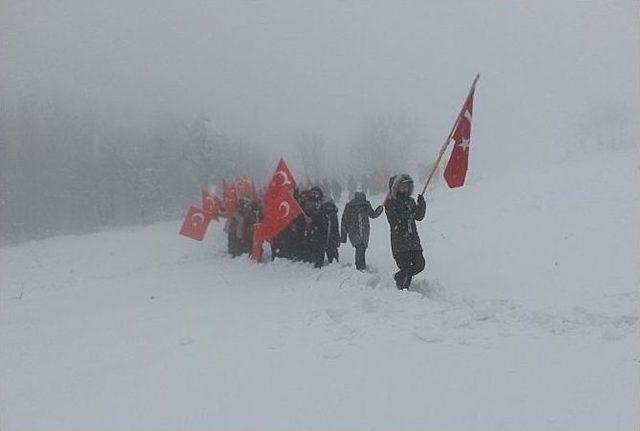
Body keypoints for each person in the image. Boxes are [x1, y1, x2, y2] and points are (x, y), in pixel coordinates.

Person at [384, 174, 426, 289]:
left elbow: (419, 216)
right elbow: (394, 221)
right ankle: (403, 292)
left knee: (420, 265)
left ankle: (399, 277)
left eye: (407, 186)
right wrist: (408, 213)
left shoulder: (411, 201)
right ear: (396, 187)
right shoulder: (390, 203)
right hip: (400, 243)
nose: (405, 188)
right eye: (402, 186)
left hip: (413, 241)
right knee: (406, 267)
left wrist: (421, 205)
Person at [341, 192, 383, 271]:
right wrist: (380, 209)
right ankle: (360, 266)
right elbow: (373, 215)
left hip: (353, 230)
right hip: (364, 229)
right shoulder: (365, 205)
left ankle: (360, 266)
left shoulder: (350, 205)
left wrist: (343, 235)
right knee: (361, 247)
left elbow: (344, 220)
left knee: (359, 247)